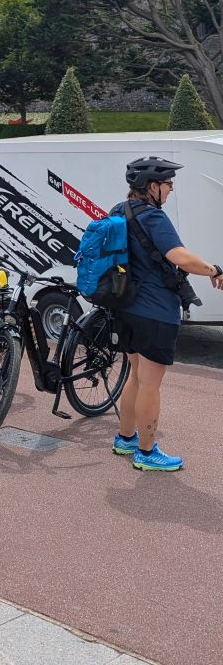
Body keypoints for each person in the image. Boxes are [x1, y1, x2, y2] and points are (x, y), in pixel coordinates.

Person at [112, 156, 223, 471]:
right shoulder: (154, 218)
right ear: (152, 186)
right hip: (155, 312)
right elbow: (181, 258)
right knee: (150, 383)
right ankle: (147, 454)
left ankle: (125, 438)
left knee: (135, 375)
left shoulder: (119, 211)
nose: (171, 188)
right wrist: (214, 268)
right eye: (168, 183)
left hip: (126, 307)